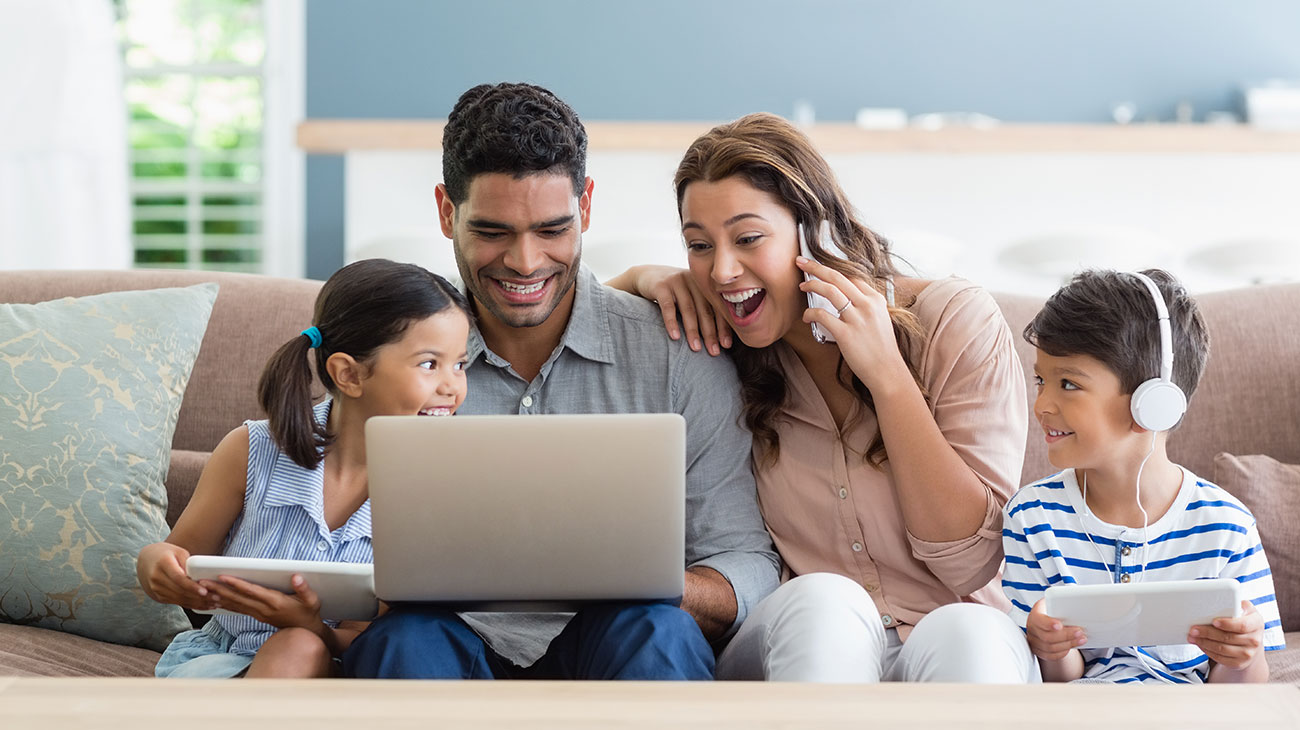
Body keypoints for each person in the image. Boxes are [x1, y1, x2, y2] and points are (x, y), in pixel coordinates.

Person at [340, 83, 779, 681]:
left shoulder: (680, 354)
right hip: (443, 642)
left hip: (619, 642)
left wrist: (644, 580)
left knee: (657, 626)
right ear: (447, 212)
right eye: (493, 231)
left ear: (586, 206)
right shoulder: (385, 355)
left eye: (551, 229)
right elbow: (319, 521)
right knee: (401, 641)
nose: (525, 262)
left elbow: (747, 563)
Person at [608, 112, 1035, 682]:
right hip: (803, 639)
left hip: (950, 631)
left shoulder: (952, 322)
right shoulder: (718, 341)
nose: (723, 270)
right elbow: (572, 327)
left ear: (818, 233)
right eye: (699, 245)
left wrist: (887, 377)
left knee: (969, 631)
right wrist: (639, 278)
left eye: (748, 238)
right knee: (827, 602)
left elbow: (968, 563)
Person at [138, 259, 473, 678]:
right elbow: (179, 556)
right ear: (348, 374)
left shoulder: (436, 492)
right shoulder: (251, 449)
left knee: (298, 646)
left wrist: (310, 627)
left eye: (460, 364)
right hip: (219, 664)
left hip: (338, 670)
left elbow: (368, 636)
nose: (452, 386)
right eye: (430, 364)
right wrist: (156, 565)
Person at [1002, 268, 1284, 683]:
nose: (1041, 403)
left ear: (1153, 404)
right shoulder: (1031, 516)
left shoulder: (1226, 525)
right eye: (1041, 380)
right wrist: (1051, 650)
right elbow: (1056, 682)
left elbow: (1238, 694)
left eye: (1068, 384)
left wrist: (1241, 656)